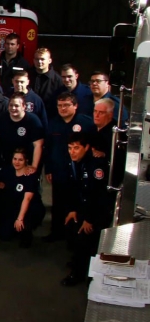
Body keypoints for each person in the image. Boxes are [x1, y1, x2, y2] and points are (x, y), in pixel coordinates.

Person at [43, 92, 95, 243]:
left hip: (79, 171)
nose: (62, 108)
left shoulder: (86, 123)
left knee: (77, 201)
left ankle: (74, 234)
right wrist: (49, 169)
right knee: (58, 203)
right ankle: (56, 232)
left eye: (66, 105)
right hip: (59, 169)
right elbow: (48, 148)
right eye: (60, 105)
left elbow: (91, 145)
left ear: (75, 106)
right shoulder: (53, 123)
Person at [61, 134, 112, 286]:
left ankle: (80, 274)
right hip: (85, 206)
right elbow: (78, 189)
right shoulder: (79, 162)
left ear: (87, 147)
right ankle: (79, 263)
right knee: (75, 236)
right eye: (70, 148)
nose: (72, 152)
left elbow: (98, 196)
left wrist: (89, 220)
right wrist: (73, 209)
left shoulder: (95, 166)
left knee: (86, 241)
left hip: (97, 213)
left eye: (76, 148)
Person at [0, 149, 44, 248]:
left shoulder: (30, 175)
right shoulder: (7, 171)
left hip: (29, 208)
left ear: (26, 161)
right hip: (13, 207)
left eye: (20, 160)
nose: (16, 162)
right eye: (15, 159)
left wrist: (20, 219)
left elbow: (27, 199)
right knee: (4, 236)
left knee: (24, 241)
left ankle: (26, 229)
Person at [0, 94, 44, 172]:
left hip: (26, 162)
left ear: (24, 107)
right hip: (7, 162)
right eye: (11, 105)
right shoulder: (4, 117)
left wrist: (33, 166)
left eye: (16, 106)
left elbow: (38, 145)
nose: (13, 108)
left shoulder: (33, 120)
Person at [31, 48, 62, 117]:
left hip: (50, 117)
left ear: (49, 60)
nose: (39, 62)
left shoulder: (57, 80)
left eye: (42, 59)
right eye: (37, 59)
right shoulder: (27, 76)